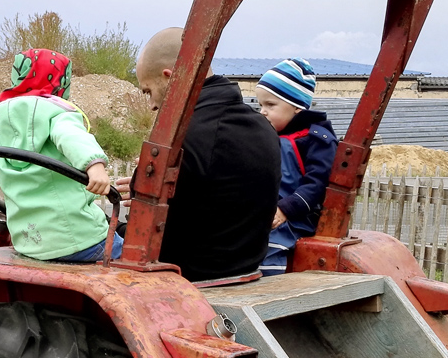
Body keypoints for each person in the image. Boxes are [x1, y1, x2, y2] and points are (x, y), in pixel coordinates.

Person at [126, 27, 281, 282]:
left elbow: (145, 223)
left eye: (148, 91)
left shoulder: (182, 139)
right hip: (246, 269)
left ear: (169, 77)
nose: (152, 104)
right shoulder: (263, 128)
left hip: (188, 275)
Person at [0, 48, 120, 262]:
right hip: (81, 239)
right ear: (62, 82)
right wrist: (94, 165)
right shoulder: (59, 114)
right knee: (136, 255)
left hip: (29, 244)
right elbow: (71, 136)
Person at [255, 58, 337, 276]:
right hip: (269, 210)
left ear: (297, 107)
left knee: (269, 246)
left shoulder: (316, 139)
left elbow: (318, 183)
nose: (262, 111)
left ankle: (269, 290)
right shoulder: (268, 135)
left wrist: (286, 209)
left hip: (299, 214)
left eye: (270, 105)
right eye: (260, 105)